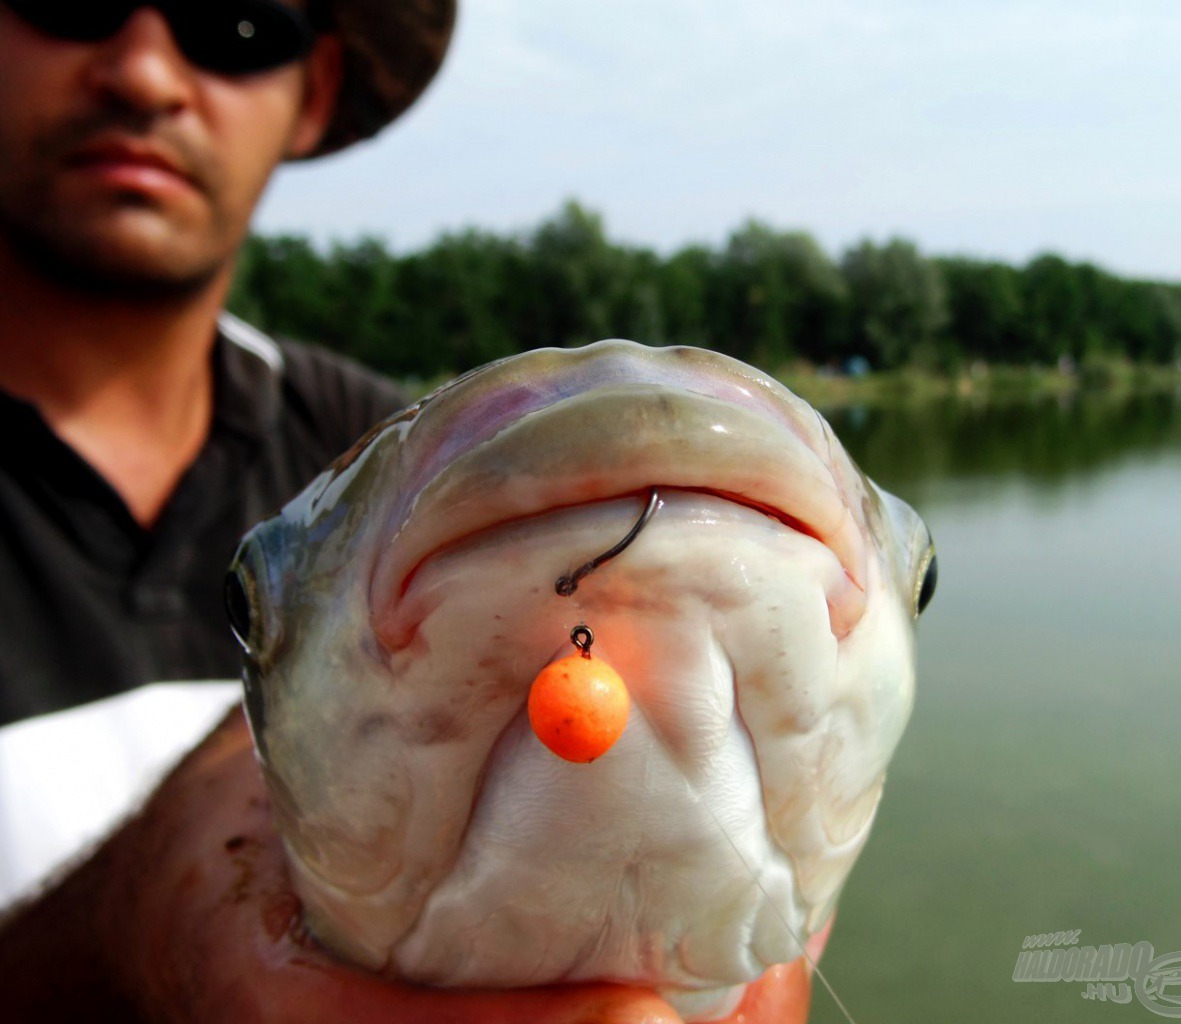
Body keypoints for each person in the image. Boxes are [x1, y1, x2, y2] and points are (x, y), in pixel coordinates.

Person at [0, 2, 816, 1020]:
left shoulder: (396, 448)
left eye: (238, 21)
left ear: (319, 88)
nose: (145, 73)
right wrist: (126, 933)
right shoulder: (403, 501)